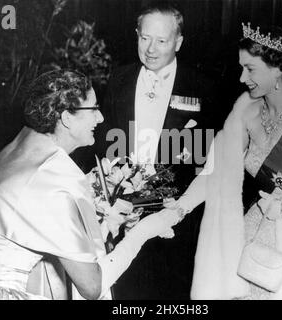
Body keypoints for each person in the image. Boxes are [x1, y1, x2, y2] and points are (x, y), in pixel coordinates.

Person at [170, 23, 282, 299]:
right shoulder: (245, 112)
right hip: (258, 231)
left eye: (251, 69)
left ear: (277, 69)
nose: (243, 77)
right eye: (241, 67)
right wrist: (180, 207)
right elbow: (216, 172)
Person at [0, 69, 182, 300]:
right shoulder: (59, 174)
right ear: (67, 118)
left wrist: (104, 223)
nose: (100, 118)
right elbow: (92, 286)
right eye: (94, 109)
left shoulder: (11, 151)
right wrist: (144, 231)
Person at [79, 1, 220, 299]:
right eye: (145, 38)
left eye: (161, 41)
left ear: (178, 42)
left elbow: (206, 162)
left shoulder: (202, 88)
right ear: (136, 35)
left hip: (174, 219)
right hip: (123, 215)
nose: (151, 49)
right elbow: (106, 144)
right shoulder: (119, 80)